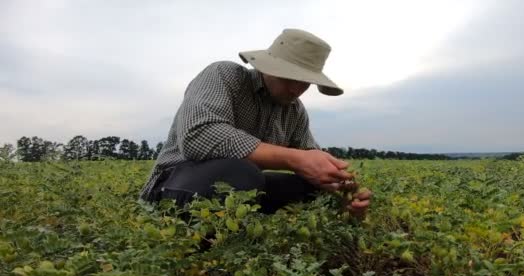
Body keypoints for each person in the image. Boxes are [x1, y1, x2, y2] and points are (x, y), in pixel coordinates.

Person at [140, 28, 371, 216]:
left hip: (240, 188)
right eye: (288, 77)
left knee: (312, 185)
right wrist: (295, 158)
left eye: (305, 82)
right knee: (242, 173)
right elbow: (199, 136)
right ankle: (212, 256)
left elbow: (310, 157)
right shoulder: (224, 75)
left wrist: (341, 189)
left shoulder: (294, 111)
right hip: (173, 184)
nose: (295, 89)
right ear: (266, 67)